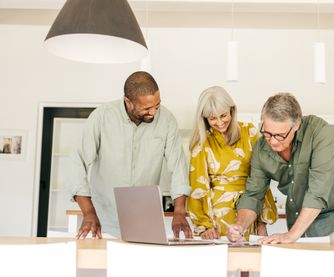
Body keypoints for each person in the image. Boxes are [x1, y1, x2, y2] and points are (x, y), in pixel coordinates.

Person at [69, 71, 192, 239]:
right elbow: (78, 162)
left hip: (145, 221)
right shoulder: (101, 117)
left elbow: (178, 166)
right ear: (128, 101)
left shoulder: (167, 120)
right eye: (147, 108)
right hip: (103, 221)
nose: (154, 113)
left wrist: (179, 211)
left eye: (157, 106)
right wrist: (88, 212)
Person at [227, 92, 334, 243]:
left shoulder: (319, 133)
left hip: (332, 218)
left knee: (327, 265)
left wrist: (291, 235)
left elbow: (317, 192)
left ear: (297, 125)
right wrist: (240, 226)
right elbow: (254, 195)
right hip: (297, 221)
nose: (272, 141)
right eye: (267, 133)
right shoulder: (261, 149)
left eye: (280, 135)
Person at [187, 86, 277, 240]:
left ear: (232, 111)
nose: (220, 123)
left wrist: (262, 222)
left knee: (251, 261)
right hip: (218, 217)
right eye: (212, 118)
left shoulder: (250, 133)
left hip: (250, 211)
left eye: (223, 115)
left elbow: (261, 178)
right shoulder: (201, 144)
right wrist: (204, 226)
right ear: (204, 118)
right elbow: (198, 186)